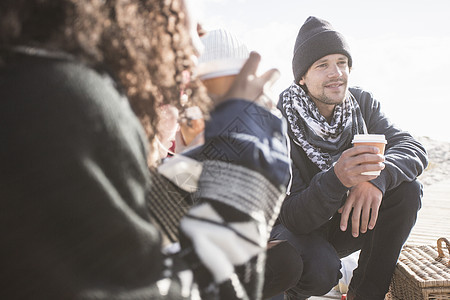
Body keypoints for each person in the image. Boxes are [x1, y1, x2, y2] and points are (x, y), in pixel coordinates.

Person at [0, 1, 290, 299]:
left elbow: (126, 226)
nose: (198, 43)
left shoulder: (29, 81)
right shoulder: (68, 103)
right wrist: (245, 180)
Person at [270, 16, 428, 300]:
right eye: (322, 65)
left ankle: (364, 295)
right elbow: (291, 214)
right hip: (294, 230)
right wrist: (338, 178)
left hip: (344, 220)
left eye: (341, 62)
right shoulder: (279, 121)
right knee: (320, 269)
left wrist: (376, 180)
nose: (336, 73)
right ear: (302, 77)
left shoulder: (361, 105)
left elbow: (411, 146)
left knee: (407, 190)